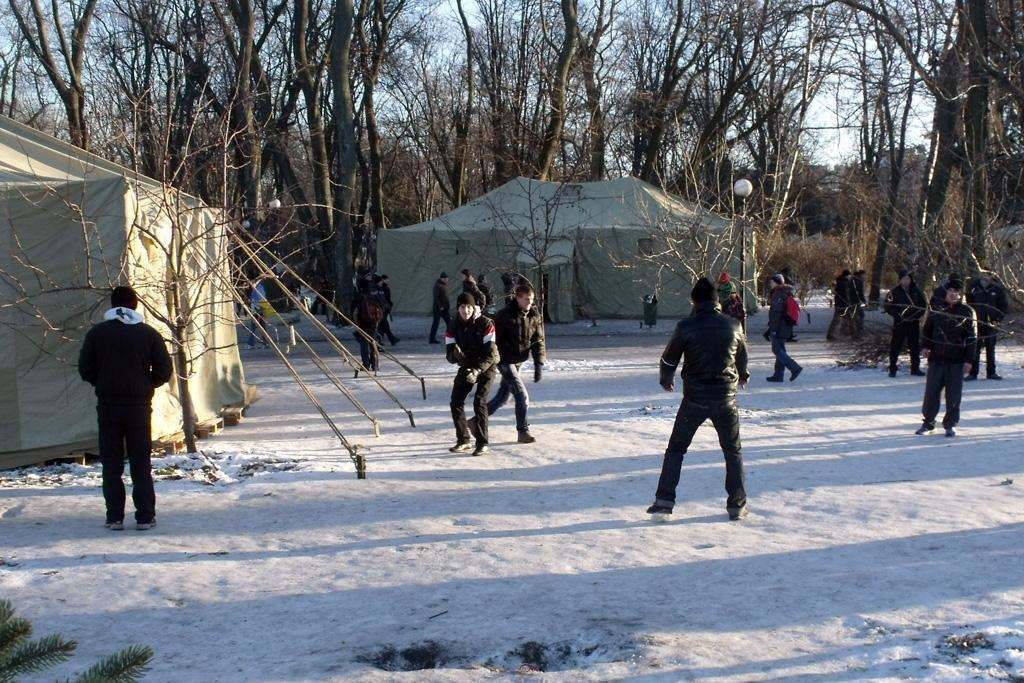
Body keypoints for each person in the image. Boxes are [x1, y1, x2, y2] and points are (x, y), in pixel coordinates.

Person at [647, 277, 750, 521]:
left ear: (694, 300)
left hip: (694, 398)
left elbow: (669, 358)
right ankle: (736, 504)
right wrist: (743, 375)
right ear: (717, 301)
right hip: (725, 399)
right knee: (732, 451)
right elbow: (742, 357)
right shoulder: (734, 325)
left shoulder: (686, 326)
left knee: (676, 450)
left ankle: (664, 502)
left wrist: (666, 379)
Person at [78, 286, 173, 531]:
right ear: (135, 305)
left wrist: (102, 382)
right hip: (139, 407)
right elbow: (164, 369)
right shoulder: (149, 334)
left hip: (108, 406)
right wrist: (146, 384)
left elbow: (85, 368)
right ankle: (144, 516)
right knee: (141, 462)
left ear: (112, 305)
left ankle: (114, 517)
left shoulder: (96, 334)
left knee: (111, 463)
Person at [470, 283, 546, 444]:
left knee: (503, 397)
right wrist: (493, 358)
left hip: (518, 360)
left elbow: (538, 340)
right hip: (504, 360)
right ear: (517, 298)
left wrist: (539, 364)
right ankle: (523, 431)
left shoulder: (533, 315)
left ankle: (475, 421)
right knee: (521, 395)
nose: (529, 303)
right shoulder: (504, 316)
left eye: (531, 299)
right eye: (526, 299)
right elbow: (492, 340)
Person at [917, 278, 976, 438]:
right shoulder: (937, 309)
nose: (953, 294)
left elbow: (972, 339)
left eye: (957, 292)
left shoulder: (967, 312)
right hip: (936, 359)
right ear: (946, 292)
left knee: (954, 395)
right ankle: (928, 423)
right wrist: (925, 347)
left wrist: (969, 361)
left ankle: (950, 425)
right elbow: (927, 330)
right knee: (931, 393)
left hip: (957, 361)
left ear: (961, 295)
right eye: (951, 291)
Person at [446, 293, 500, 456]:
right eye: (462, 307)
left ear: (474, 307)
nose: (466, 310)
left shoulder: (485, 323)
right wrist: (455, 355)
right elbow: (448, 355)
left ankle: (483, 443)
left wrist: (477, 370)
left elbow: (490, 353)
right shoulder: (453, 325)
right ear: (458, 308)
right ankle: (463, 440)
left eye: (469, 306)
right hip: (468, 365)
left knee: (479, 401)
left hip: (487, 365)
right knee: (456, 401)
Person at [883, 268, 927, 377]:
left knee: (914, 346)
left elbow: (923, 305)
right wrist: (898, 315)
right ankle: (892, 369)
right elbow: (888, 306)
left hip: (913, 322)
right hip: (900, 323)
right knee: (895, 346)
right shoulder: (894, 292)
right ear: (900, 280)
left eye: (908, 278)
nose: (906, 281)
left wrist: (917, 315)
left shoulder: (916, 291)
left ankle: (915, 368)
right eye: (904, 278)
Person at [966, 273, 1008, 381]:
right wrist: (971, 319)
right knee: (976, 347)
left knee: (990, 348)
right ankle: (973, 373)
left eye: (987, 274)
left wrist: (997, 319)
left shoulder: (997, 288)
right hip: (977, 323)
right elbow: (968, 305)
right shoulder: (973, 287)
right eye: (983, 274)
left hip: (991, 323)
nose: (985, 277)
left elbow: (1003, 306)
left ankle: (991, 372)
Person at [766, 274, 803, 382]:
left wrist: (772, 329)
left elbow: (776, 314)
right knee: (780, 349)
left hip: (780, 326)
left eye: (772, 281)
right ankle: (778, 375)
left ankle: (794, 368)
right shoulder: (784, 293)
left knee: (777, 349)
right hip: (784, 325)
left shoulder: (778, 294)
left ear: (777, 282)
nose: (770, 283)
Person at [826, 269, 856, 341]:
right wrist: (850, 301)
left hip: (841, 304)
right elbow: (846, 294)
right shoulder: (844, 283)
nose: (850, 277)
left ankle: (848, 333)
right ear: (846, 275)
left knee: (845, 319)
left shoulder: (840, 282)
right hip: (843, 304)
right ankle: (853, 334)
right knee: (845, 319)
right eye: (849, 275)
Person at [376, 274, 399, 345]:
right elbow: (383, 299)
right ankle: (390, 339)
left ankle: (381, 340)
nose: (387, 281)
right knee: (384, 324)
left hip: (384, 308)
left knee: (383, 325)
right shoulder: (381, 289)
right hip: (381, 309)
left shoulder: (383, 288)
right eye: (386, 279)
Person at [429, 272, 451, 344]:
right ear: (441, 278)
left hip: (444, 308)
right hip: (438, 308)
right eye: (444, 278)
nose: (446, 280)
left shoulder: (443, 285)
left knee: (449, 322)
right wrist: (441, 306)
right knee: (436, 323)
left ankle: (451, 336)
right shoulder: (438, 286)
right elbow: (436, 298)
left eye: (447, 278)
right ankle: (431, 339)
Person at [247, 278, 268, 349]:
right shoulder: (256, 289)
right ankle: (264, 343)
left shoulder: (258, 289)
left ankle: (252, 343)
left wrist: (263, 311)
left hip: (259, 310)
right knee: (258, 327)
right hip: (257, 310)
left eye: (252, 283)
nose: (251, 284)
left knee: (257, 327)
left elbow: (261, 299)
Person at [852, 269, 868, 337]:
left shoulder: (853, 280)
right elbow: (860, 294)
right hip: (855, 302)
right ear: (861, 275)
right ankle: (858, 332)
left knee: (855, 316)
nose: (865, 277)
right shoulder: (859, 282)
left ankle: (856, 331)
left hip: (851, 302)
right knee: (860, 315)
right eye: (864, 275)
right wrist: (865, 302)